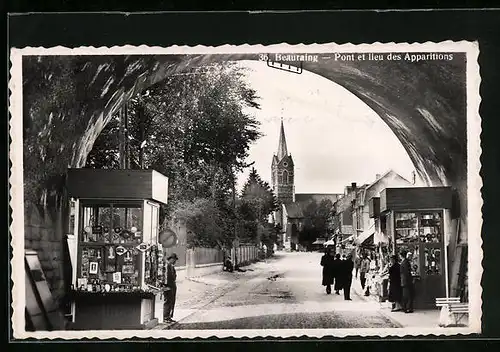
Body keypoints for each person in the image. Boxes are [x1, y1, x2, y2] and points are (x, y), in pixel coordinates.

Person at [163, 253, 179, 322]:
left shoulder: (171, 266)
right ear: (171, 259)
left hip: (172, 285)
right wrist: (166, 285)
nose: (175, 261)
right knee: (168, 301)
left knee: (171, 301)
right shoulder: (167, 265)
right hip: (169, 286)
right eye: (174, 260)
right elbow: (167, 277)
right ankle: (166, 317)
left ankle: (169, 316)